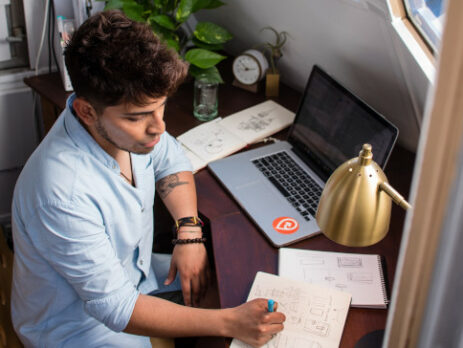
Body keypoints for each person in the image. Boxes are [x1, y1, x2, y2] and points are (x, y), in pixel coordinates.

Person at [10, 10, 285, 348]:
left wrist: (189, 231)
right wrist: (231, 323)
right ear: (86, 111)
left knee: (228, 283)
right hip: (79, 328)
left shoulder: (125, 130)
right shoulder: (60, 194)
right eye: (139, 117)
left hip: (135, 275)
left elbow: (170, 156)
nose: (159, 127)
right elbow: (118, 308)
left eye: (161, 107)